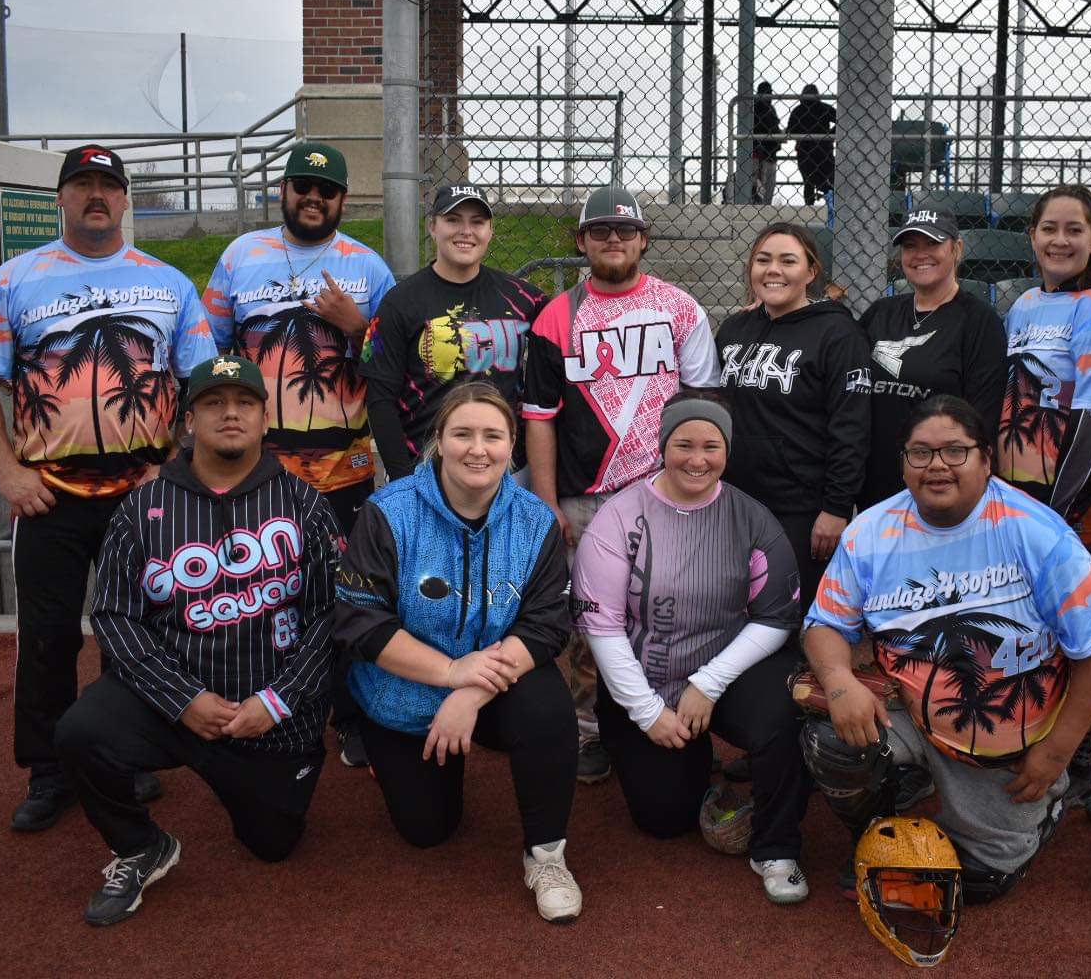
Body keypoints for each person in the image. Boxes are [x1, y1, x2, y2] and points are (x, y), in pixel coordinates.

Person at [0, 145, 216, 832]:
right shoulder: (15, 280)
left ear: (126, 200)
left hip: (143, 493)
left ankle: (124, 754)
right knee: (47, 638)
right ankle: (48, 771)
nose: (96, 196)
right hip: (50, 494)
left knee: (142, 636)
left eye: (108, 185)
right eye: (83, 185)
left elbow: (205, 380)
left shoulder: (168, 284)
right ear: (62, 199)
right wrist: (6, 471)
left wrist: (178, 462)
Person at [53, 354, 344, 927]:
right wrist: (181, 699)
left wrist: (277, 701)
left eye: (244, 404)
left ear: (265, 419)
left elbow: (334, 616)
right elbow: (114, 616)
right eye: (214, 403)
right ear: (189, 420)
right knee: (79, 733)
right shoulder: (141, 508)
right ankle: (139, 845)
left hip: (272, 716)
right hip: (174, 705)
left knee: (273, 844)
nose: (230, 414)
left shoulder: (306, 503)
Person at [801, 395, 1091, 904]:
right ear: (903, 461)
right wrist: (840, 683)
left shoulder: (1036, 532)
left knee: (972, 885)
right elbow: (824, 624)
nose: (937, 466)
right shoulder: (870, 532)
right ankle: (882, 832)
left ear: (986, 459)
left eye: (955, 451)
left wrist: (1054, 753)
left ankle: (1052, 799)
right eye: (920, 453)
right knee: (831, 740)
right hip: (911, 711)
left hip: (1004, 732)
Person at [333, 383, 581, 923]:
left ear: (511, 444)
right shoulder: (388, 512)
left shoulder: (534, 521)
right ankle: (391, 752)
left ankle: (547, 856)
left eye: (492, 436)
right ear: (438, 442)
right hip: (403, 691)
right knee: (428, 831)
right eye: (462, 433)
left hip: (492, 685)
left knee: (548, 708)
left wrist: (467, 689)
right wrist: (447, 671)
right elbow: (360, 624)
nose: (478, 449)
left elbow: (546, 626)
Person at [570, 394, 814, 904]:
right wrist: (647, 711)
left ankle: (776, 847)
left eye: (711, 446)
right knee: (663, 820)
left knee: (785, 712)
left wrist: (709, 682)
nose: (697, 459)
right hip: (645, 682)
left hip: (723, 675)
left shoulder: (751, 518)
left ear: (728, 450)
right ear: (663, 446)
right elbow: (603, 628)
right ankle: (695, 766)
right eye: (683, 444)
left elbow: (775, 618)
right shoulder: (619, 517)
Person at [203, 140, 394, 769]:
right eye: (301, 188)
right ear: (283, 191)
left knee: (347, 591)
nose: (313, 199)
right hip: (260, 467)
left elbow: (393, 364)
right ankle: (268, 707)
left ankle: (349, 713)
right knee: (263, 588)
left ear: (343, 199)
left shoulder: (367, 266)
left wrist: (357, 322)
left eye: (327, 191)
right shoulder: (240, 256)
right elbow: (213, 359)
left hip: (346, 467)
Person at [522, 185, 720, 785]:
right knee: (591, 620)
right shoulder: (557, 314)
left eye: (625, 230)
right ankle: (590, 731)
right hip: (587, 496)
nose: (614, 239)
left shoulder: (680, 307)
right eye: (601, 230)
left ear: (643, 240)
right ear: (580, 242)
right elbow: (539, 416)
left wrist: (697, 487)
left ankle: (671, 714)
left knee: (675, 608)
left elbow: (704, 404)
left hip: (665, 492)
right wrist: (546, 499)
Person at [994, 184, 1091, 809]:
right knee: (1028, 634)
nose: (1061, 240)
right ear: (1033, 236)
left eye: (1075, 229)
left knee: (1082, 640)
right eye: (1050, 228)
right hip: (1022, 503)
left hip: (1075, 510)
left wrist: (1060, 513)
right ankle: (1023, 748)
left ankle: (1082, 770)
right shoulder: (1020, 305)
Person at [716, 222, 870, 600]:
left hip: (802, 507)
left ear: (811, 271)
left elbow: (851, 426)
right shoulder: (734, 328)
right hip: (735, 499)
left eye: (788, 260)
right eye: (763, 260)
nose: (773, 270)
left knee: (788, 618)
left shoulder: (837, 334)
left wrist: (836, 507)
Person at [360, 182, 546, 482]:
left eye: (477, 222)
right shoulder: (398, 302)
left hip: (505, 467)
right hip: (426, 468)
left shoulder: (527, 299)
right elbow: (380, 399)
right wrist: (401, 479)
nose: (466, 231)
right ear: (432, 226)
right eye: (452, 220)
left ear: (490, 231)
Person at [858, 205, 1008, 509]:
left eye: (933, 243)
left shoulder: (979, 321)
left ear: (957, 249)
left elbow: (981, 420)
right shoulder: (880, 313)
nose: (920, 254)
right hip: (874, 486)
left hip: (939, 486)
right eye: (910, 246)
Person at [787, 84, 836, 205]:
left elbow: (791, 131)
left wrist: (803, 133)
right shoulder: (824, 108)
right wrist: (830, 135)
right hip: (824, 151)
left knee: (808, 182)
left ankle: (809, 208)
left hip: (805, 151)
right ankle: (831, 204)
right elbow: (843, 119)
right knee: (827, 180)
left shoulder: (798, 110)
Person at [750, 82, 782, 205]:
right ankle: (761, 206)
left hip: (765, 153)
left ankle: (761, 206)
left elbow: (772, 128)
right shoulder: (757, 108)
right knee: (762, 185)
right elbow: (771, 127)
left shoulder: (761, 108)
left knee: (765, 186)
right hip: (760, 153)